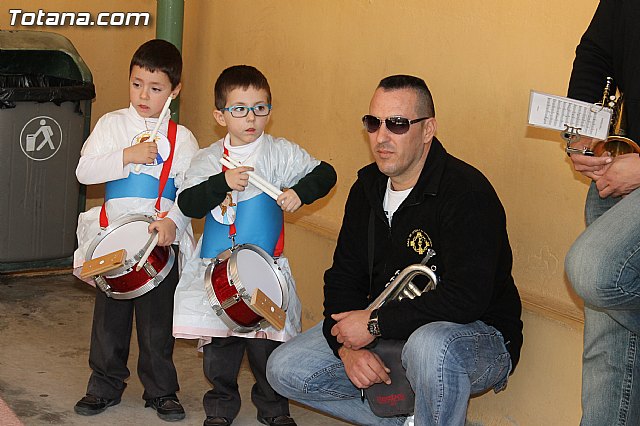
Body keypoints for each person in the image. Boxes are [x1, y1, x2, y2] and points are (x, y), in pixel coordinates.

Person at [266, 75, 523, 426]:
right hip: (390, 330)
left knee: (429, 347)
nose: (382, 137)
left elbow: (468, 298)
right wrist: (347, 349)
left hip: (477, 337)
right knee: (283, 368)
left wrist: (374, 324)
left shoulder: (466, 193)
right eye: (374, 123)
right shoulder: (366, 188)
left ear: (428, 129)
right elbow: (343, 277)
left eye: (398, 124)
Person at [173, 65, 337, 426]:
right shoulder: (207, 158)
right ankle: (220, 407)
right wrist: (222, 182)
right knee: (221, 349)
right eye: (240, 109)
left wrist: (299, 193)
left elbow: (326, 173)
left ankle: (274, 409)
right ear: (220, 115)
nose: (251, 117)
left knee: (267, 347)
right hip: (216, 274)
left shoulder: (279, 153)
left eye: (260, 108)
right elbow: (187, 203)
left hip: (266, 271)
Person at [72, 39, 199, 421]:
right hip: (114, 242)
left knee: (156, 326)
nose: (144, 95)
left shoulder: (184, 139)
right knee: (109, 322)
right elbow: (84, 172)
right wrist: (126, 156)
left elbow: (190, 195)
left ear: (174, 90)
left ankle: (161, 391)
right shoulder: (112, 125)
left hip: (158, 244)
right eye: (137, 84)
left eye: (156, 88)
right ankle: (104, 385)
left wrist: (171, 223)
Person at [563, 1, 640, 424]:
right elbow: (595, 52)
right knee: (607, 342)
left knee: (594, 270)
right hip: (621, 162)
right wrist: (585, 132)